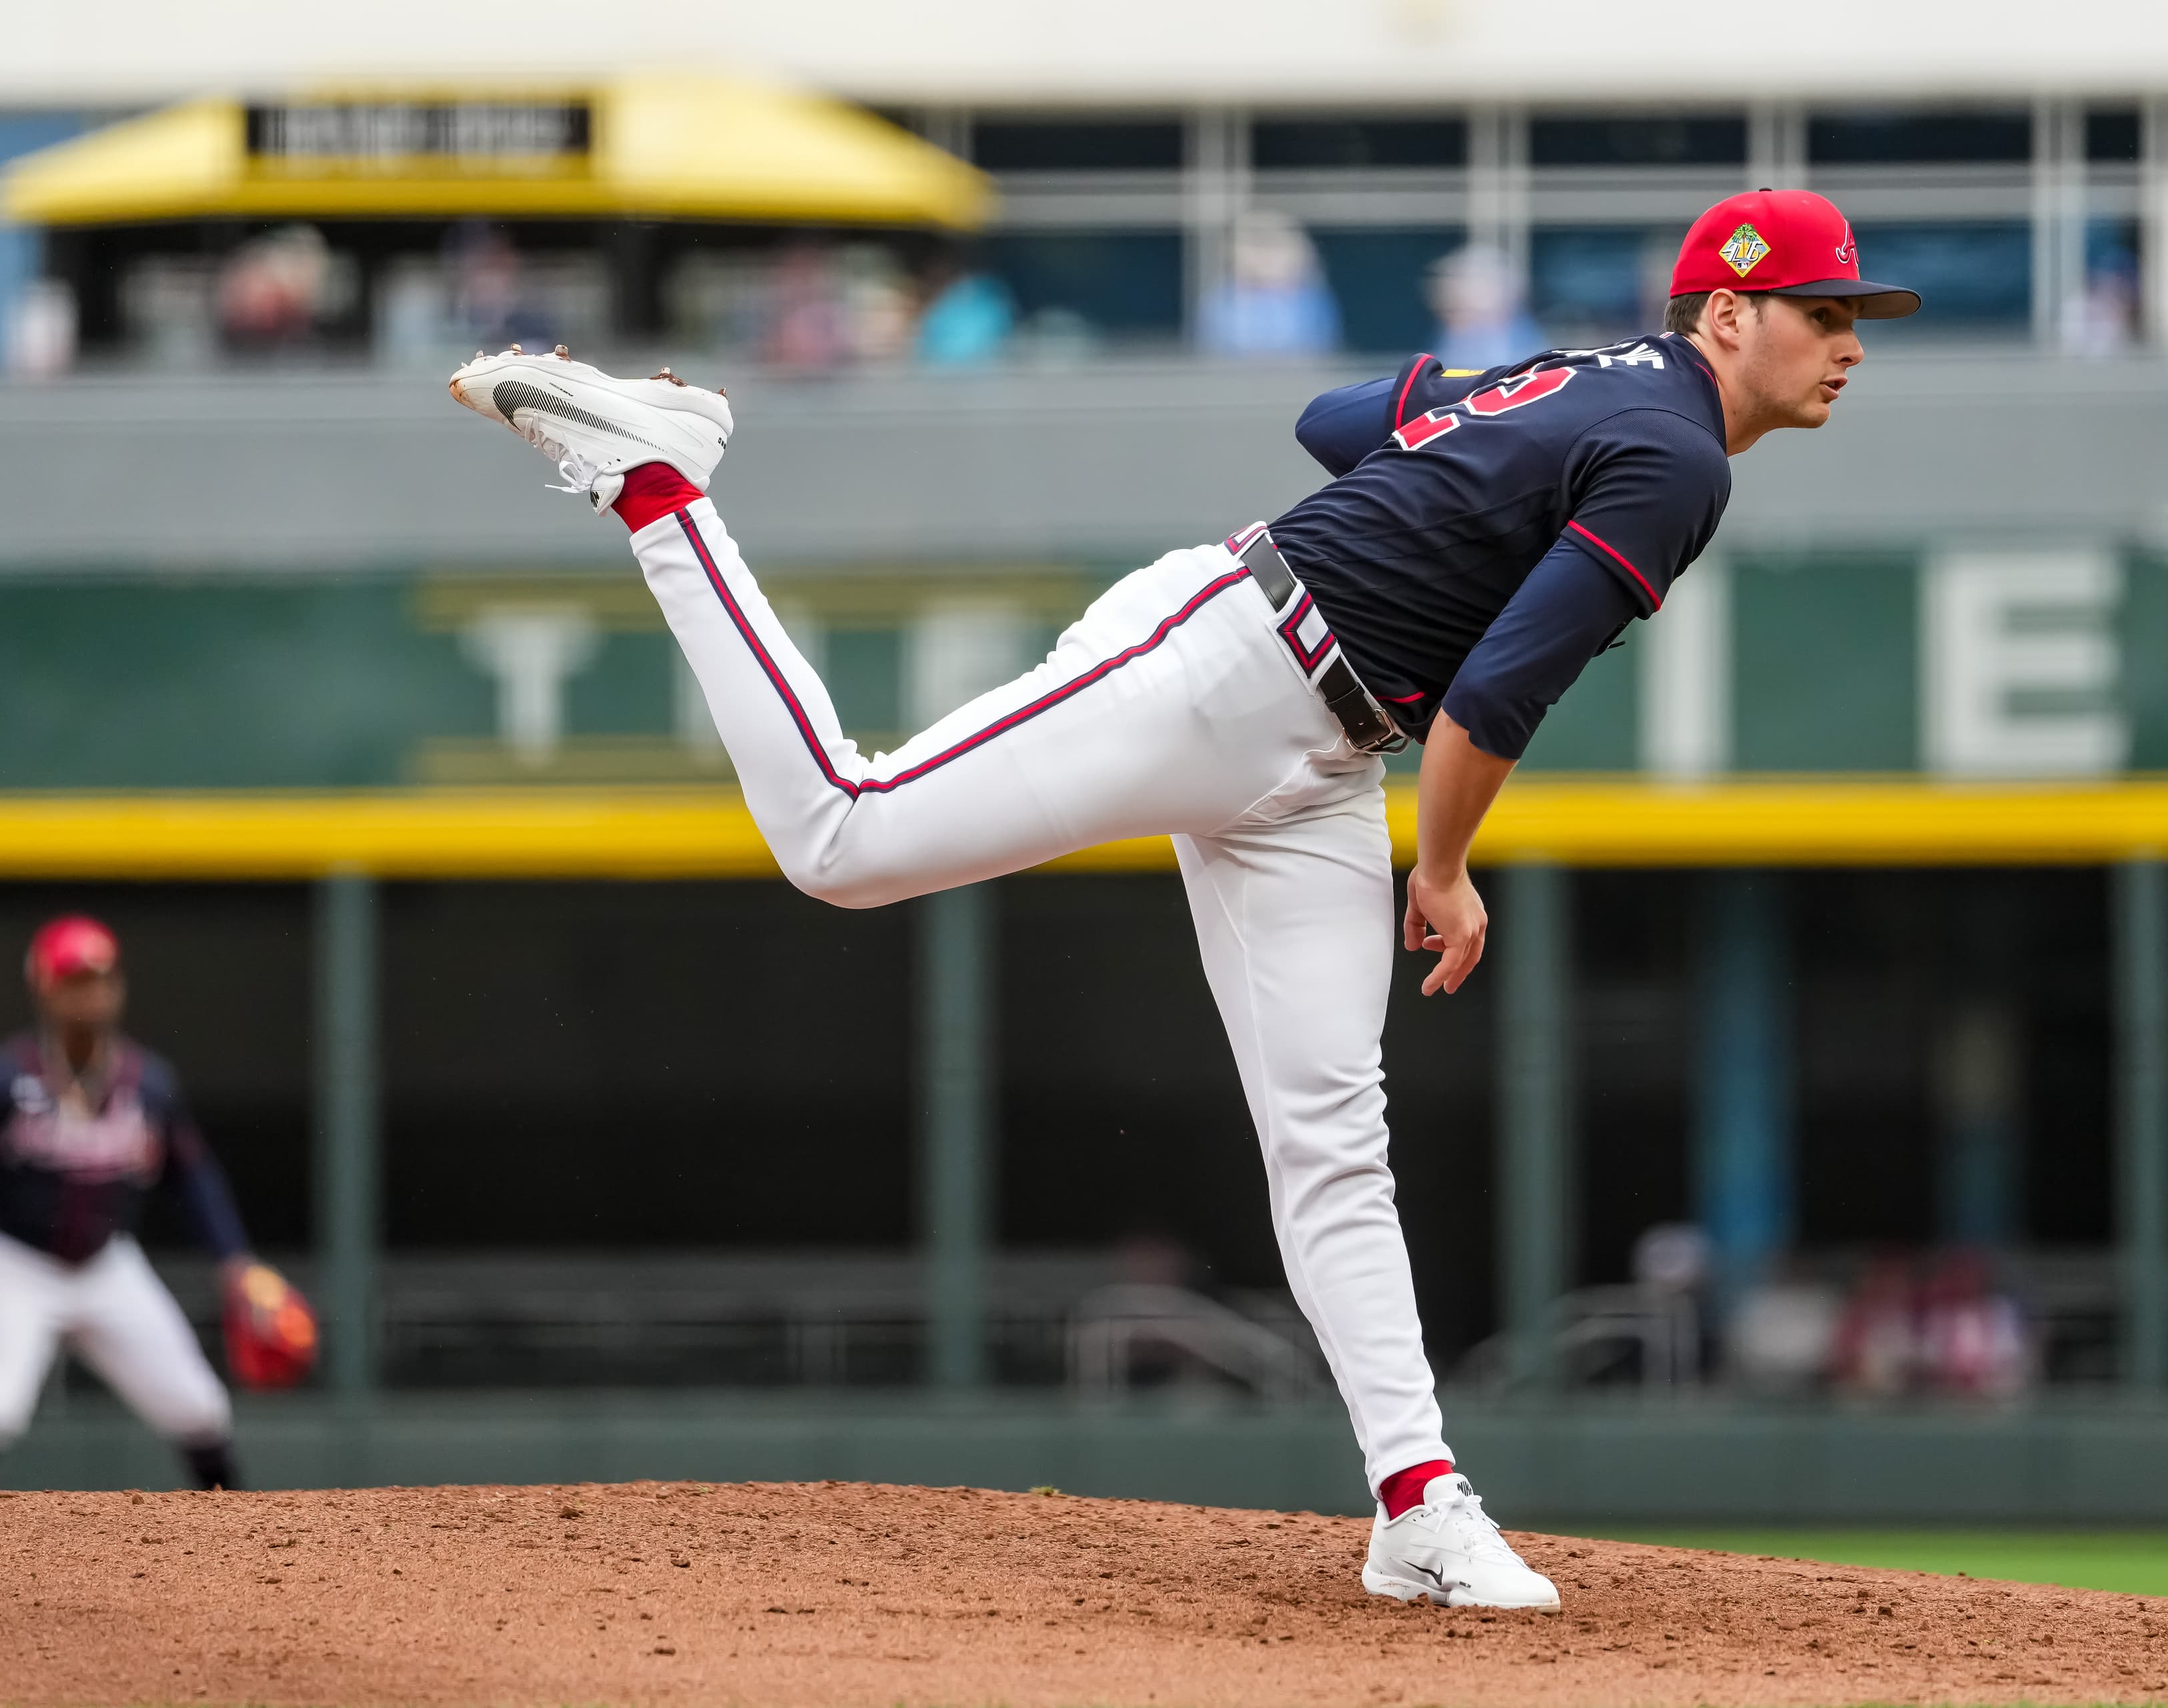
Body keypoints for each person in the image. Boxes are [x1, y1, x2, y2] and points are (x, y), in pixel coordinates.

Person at [447, 185, 1917, 1610]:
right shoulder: (1678, 455)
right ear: (1729, 311)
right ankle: (662, 480)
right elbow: (1496, 691)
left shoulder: (1580, 382)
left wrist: (1464, 436)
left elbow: (1339, 416)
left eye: (1856, 314)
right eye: (1825, 309)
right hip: (1225, 663)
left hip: (1321, 754)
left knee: (1334, 1137)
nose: (1851, 341)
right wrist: (1449, 868)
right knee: (844, 831)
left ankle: (1419, 1507)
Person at [0, 918, 310, 1488]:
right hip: (16, 1265)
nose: (90, 992)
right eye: (74, 980)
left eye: (100, 978)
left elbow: (193, 1179)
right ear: (43, 987)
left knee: (200, 1411)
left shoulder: (147, 1081)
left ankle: (234, 1548)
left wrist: (236, 1263)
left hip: (105, 1266)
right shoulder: (10, 1076)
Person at [1199, 211, 1341, 358]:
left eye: (1276, 249)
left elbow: (1320, 347)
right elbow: (1216, 348)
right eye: (1259, 249)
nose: (1268, 260)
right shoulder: (1222, 299)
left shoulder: (1312, 298)